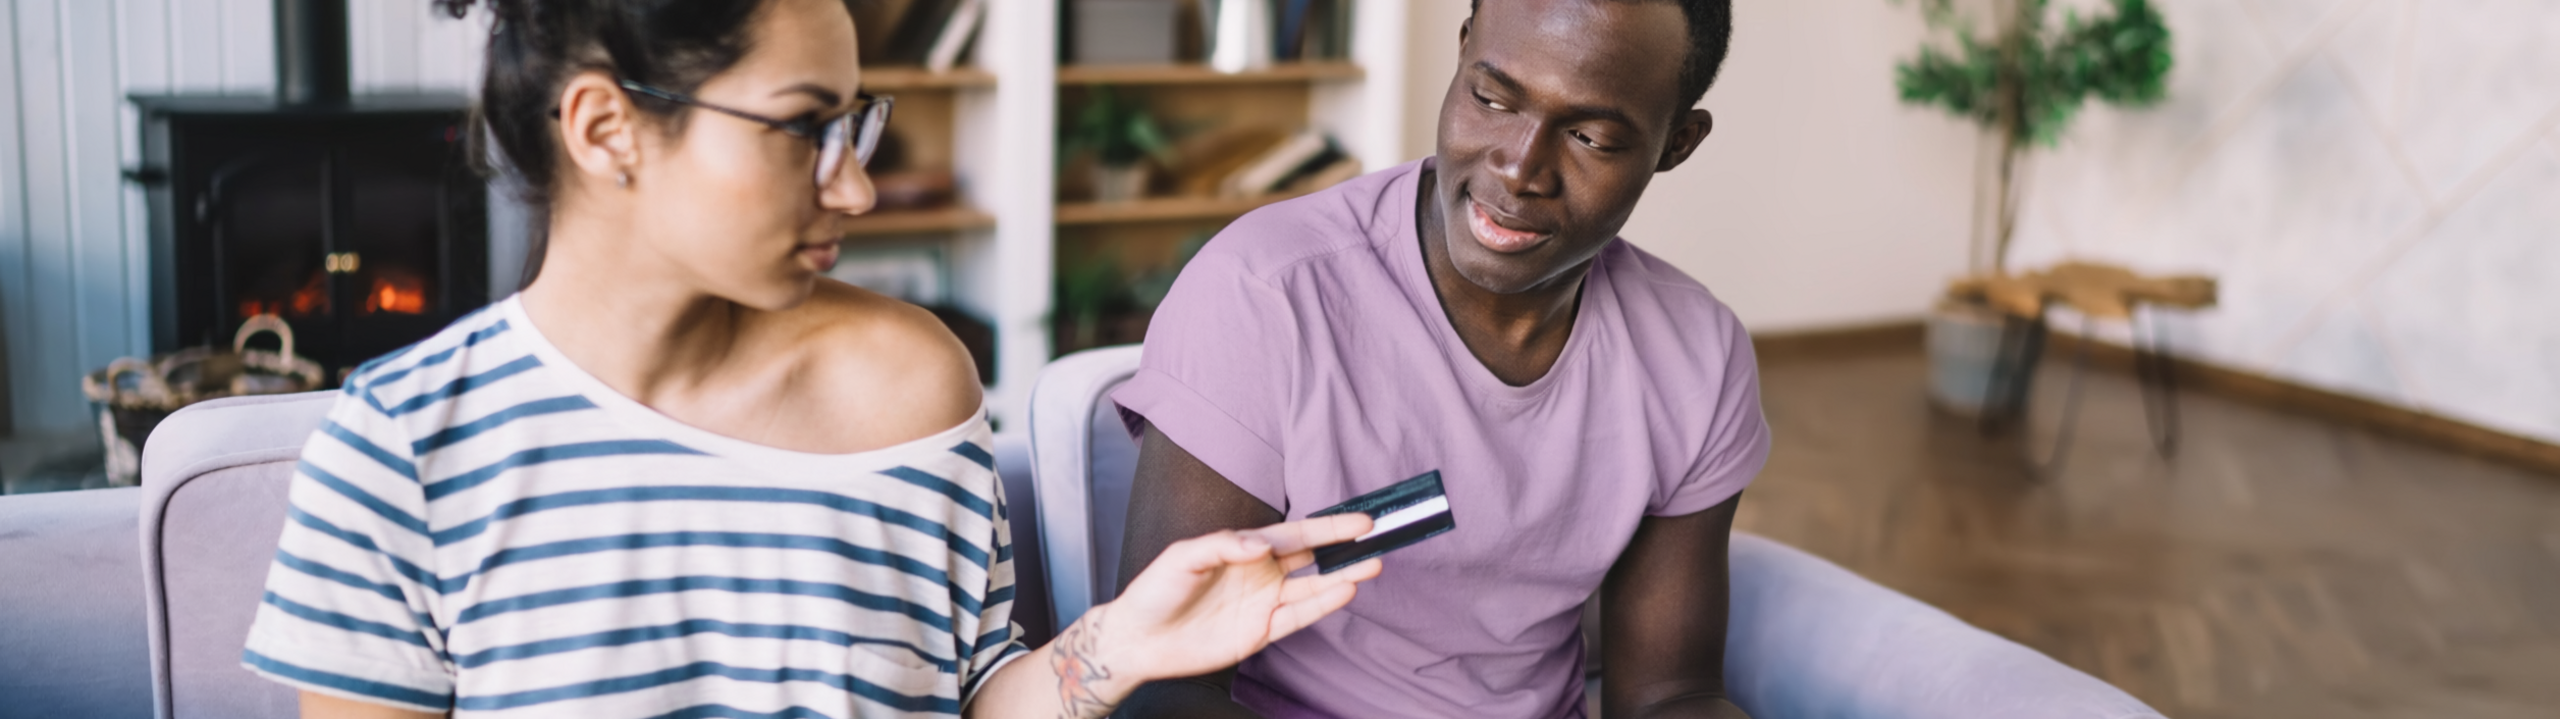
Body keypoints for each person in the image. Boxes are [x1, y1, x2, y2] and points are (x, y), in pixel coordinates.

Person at [239, 1, 1382, 717]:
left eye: (858, 124)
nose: (855, 184)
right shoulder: (404, 445)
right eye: (802, 128)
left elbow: (979, 699)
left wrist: (1121, 641)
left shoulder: (909, 383)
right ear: (604, 129)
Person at [1109, 0, 1761, 717]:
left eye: (1589, 136)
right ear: (1463, 52)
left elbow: (1672, 692)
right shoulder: (1266, 295)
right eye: (1491, 98)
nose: (1519, 167)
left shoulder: (1696, 355)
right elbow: (1162, 685)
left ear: (1677, 142)